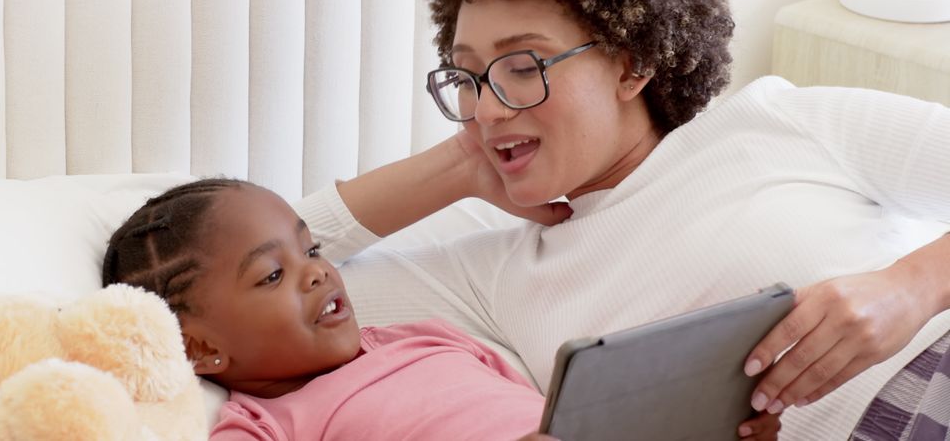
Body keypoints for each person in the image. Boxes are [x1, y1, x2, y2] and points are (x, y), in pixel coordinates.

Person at [283, 0, 950, 439]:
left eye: (524, 64)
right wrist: (455, 165)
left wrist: (909, 288)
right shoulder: (492, 277)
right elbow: (230, 279)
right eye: (468, 76)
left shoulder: (776, 122)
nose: (486, 108)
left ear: (632, 64)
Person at [103, 179, 774, 440]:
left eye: (310, 250)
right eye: (273, 273)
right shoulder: (264, 426)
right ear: (200, 350)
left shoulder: (427, 337)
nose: (315, 272)